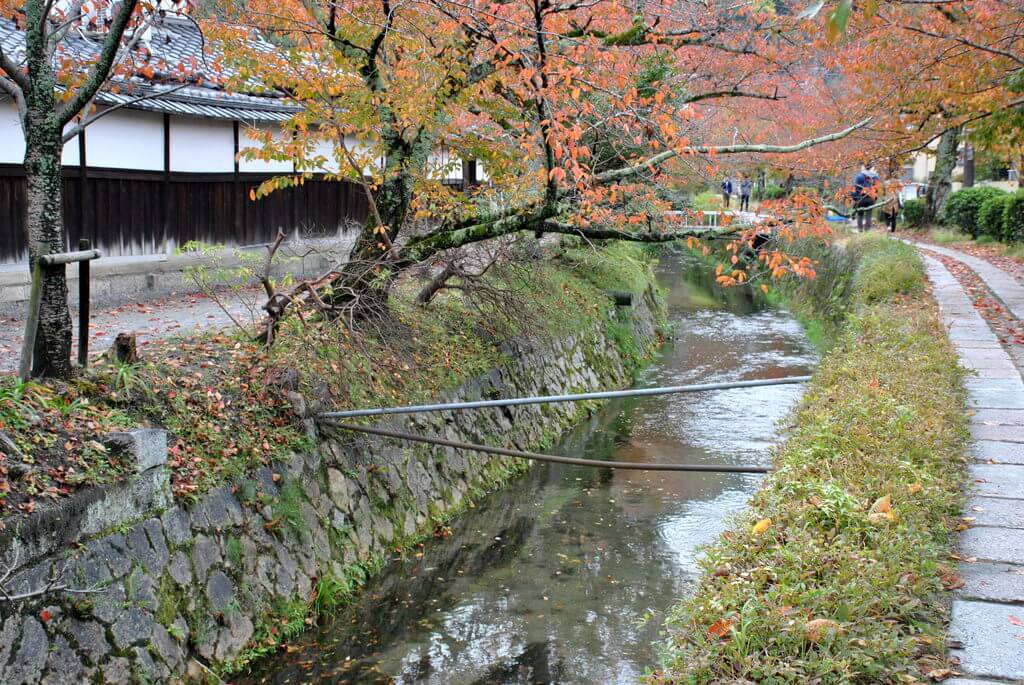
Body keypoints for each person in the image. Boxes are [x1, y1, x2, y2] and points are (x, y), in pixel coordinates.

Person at [852, 165, 879, 231]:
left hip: (860, 198)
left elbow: (854, 188)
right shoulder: (875, 177)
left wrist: (854, 199)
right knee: (868, 215)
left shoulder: (859, 176)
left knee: (860, 214)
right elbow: (877, 189)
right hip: (870, 199)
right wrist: (875, 199)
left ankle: (860, 230)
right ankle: (867, 231)